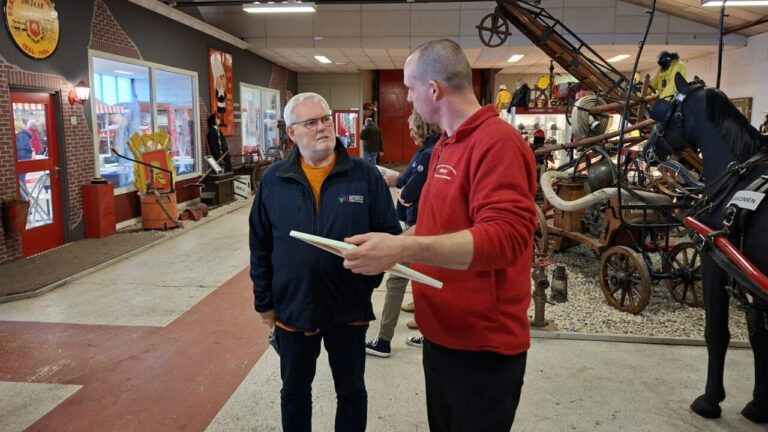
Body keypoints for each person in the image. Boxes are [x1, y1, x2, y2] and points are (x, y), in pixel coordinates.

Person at [341, 39, 538, 431]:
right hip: (443, 335)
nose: (408, 99)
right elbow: (436, 225)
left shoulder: (496, 142)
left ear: (433, 89)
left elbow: (507, 238)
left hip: (481, 347)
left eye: (410, 89)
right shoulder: (446, 144)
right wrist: (390, 247)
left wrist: (401, 248)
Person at [249, 92, 401, 432]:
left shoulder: (364, 175)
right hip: (293, 306)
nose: (322, 127)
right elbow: (260, 245)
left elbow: (389, 236)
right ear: (292, 132)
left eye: (325, 119)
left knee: (351, 391)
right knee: (294, 393)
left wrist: (365, 283)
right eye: (311, 122)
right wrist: (265, 302)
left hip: (348, 307)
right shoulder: (274, 179)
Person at [365, 110, 441, 358]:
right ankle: (430, 334)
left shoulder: (428, 153)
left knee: (396, 278)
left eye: (412, 128)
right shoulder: (432, 150)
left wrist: (403, 189)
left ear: (423, 127)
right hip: (423, 223)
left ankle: (383, 340)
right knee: (424, 276)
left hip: (421, 226)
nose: (410, 133)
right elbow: (405, 182)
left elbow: (407, 191)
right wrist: (402, 185)